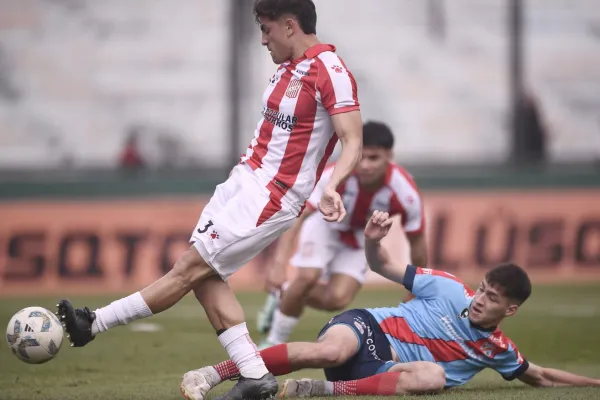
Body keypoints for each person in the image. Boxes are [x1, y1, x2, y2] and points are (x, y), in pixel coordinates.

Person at [56, 1, 363, 400]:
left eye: (267, 29)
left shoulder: (331, 72)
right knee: (204, 277)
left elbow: (352, 139)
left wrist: (332, 185)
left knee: (188, 269)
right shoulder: (288, 68)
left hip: (272, 195)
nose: (262, 38)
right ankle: (255, 375)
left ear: (290, 26)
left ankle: (92, 323)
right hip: (242, 182)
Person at [180, 211, 600, 399]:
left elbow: (540, 376)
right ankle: (210, 373)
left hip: (382, 372)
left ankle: (321, 391)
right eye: (483, 288)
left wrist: (594, 386)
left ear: (509, 310)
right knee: (330, 350)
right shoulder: (450, 287)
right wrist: (372, 240)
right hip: (368, 328)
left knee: (433, 376)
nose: (480, 299)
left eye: (492, 298)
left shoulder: (497, 351)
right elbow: (381, 264)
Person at [256, 121, 428, 350]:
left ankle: (285, 294)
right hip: (324, 225)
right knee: (308, 276)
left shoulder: (405, 192)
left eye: (373, 158)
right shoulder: (333, 176)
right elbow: (298, 216)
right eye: (360, 157)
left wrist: (416, 287)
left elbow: (417, 241)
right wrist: (279, 264)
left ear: (389, 156)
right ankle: (272, 342)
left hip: (360, 236)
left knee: (336, 300)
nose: (365, 165)